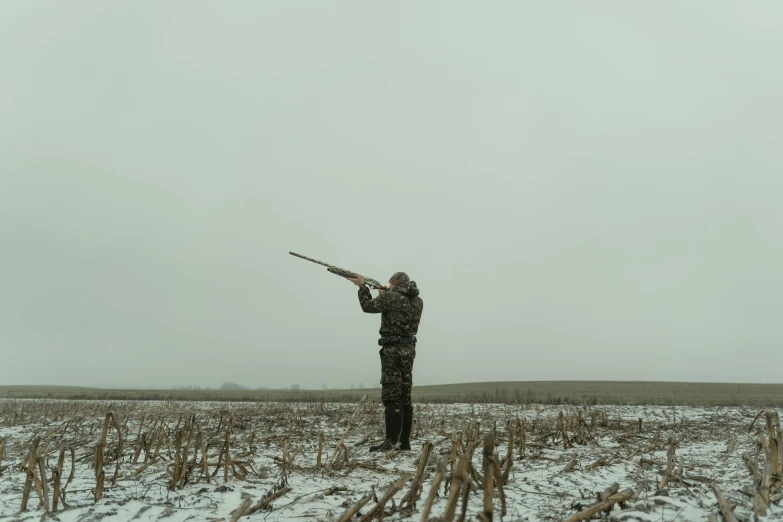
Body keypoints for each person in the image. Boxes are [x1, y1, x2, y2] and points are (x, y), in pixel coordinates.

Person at [348, 271, 423, 452]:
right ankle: (403, 442)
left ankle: (390, 442)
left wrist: (362, 287)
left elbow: (367, 306)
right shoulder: (417, 301)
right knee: (405, 395)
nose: (388, 287)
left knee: (391, 394)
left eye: (390, 284)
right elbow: (397, 304)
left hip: (393, 349)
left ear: (395, 283)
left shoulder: (391, 296)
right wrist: (386, 293)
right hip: (409, 349)